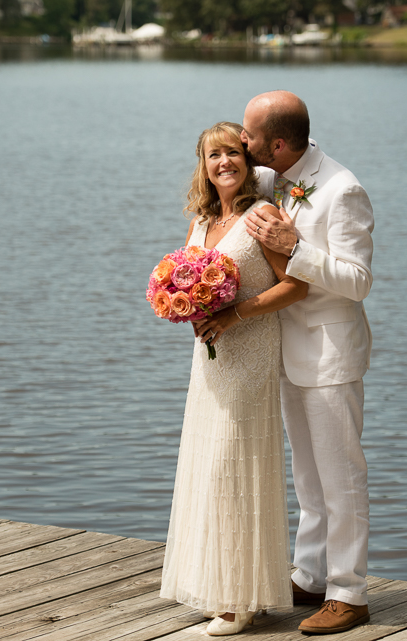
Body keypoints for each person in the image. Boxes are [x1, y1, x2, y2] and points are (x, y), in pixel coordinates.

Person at [159, 121, 308, 637]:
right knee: (209, 466)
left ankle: (241, 600)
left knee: (235, 465)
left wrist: (235, 314)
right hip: (210, 358)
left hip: (250, 352)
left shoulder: (260, 215)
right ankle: (235, 586)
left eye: (231, 152)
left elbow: (295, 286)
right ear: (202, 165)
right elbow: (188, 274)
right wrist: (185, 305)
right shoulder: (202, 220)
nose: (223, 162)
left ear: (247, 161)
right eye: (212, 155)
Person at [242, 91, 375, 635]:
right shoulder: (277, 173)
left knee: (341, 477)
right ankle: (311, 575)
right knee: (308, 476)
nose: (243, 142)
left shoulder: (344, 189)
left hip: (330, 353)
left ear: (276, 143)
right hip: (289, 349)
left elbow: (358, 281)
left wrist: (295, 248)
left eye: (249, 136)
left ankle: (351, 592)